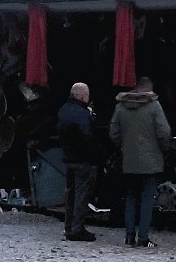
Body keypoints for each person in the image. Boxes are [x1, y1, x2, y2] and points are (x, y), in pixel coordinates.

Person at [109, 77, 170, 248]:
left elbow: (113, 133)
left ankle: (129, 236)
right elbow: (164, 132)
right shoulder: (154, 106)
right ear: (149, 89)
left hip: (129, 160)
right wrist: (162, 149)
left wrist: (125, 146)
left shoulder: (120, 107)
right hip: (151, 161)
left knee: (130, 198)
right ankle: (143, 236)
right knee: (147, 199)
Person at [57, 83, 99, 241]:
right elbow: (88, 137)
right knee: (82, 195)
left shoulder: (63, 110)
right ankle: (77, 229)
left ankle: (69, 227)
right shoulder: (83, 114)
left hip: (68, 158)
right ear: (81, 96)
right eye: (87, 95)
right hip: (83, 160)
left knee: (70, 195)